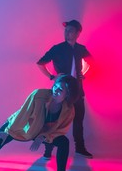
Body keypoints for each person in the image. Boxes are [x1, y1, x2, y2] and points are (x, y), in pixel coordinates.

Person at [0, 75, 81, 171]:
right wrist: (8, 131)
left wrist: (43, 137)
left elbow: (60, 130)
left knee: (64, 142)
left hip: (42, 133)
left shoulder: (69, 109)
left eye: (61, 90)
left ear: (68, 94)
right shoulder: (38, 95)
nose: (56, 90)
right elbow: (23, 114)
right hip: (22, 125)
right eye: (56, 86)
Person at [37, 19, 94, 159]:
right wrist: (52, 77)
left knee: (78, 120)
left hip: (77, 91)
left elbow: (91, 62)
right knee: (52, 120)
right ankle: (48, 151)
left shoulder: (81, 49)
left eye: (70, 30)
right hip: (60, 92)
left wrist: (83, 73)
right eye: (65, 30)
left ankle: (80, 149)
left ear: (77, 33)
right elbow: (40, 63)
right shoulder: (58, 48)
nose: (66, 32)